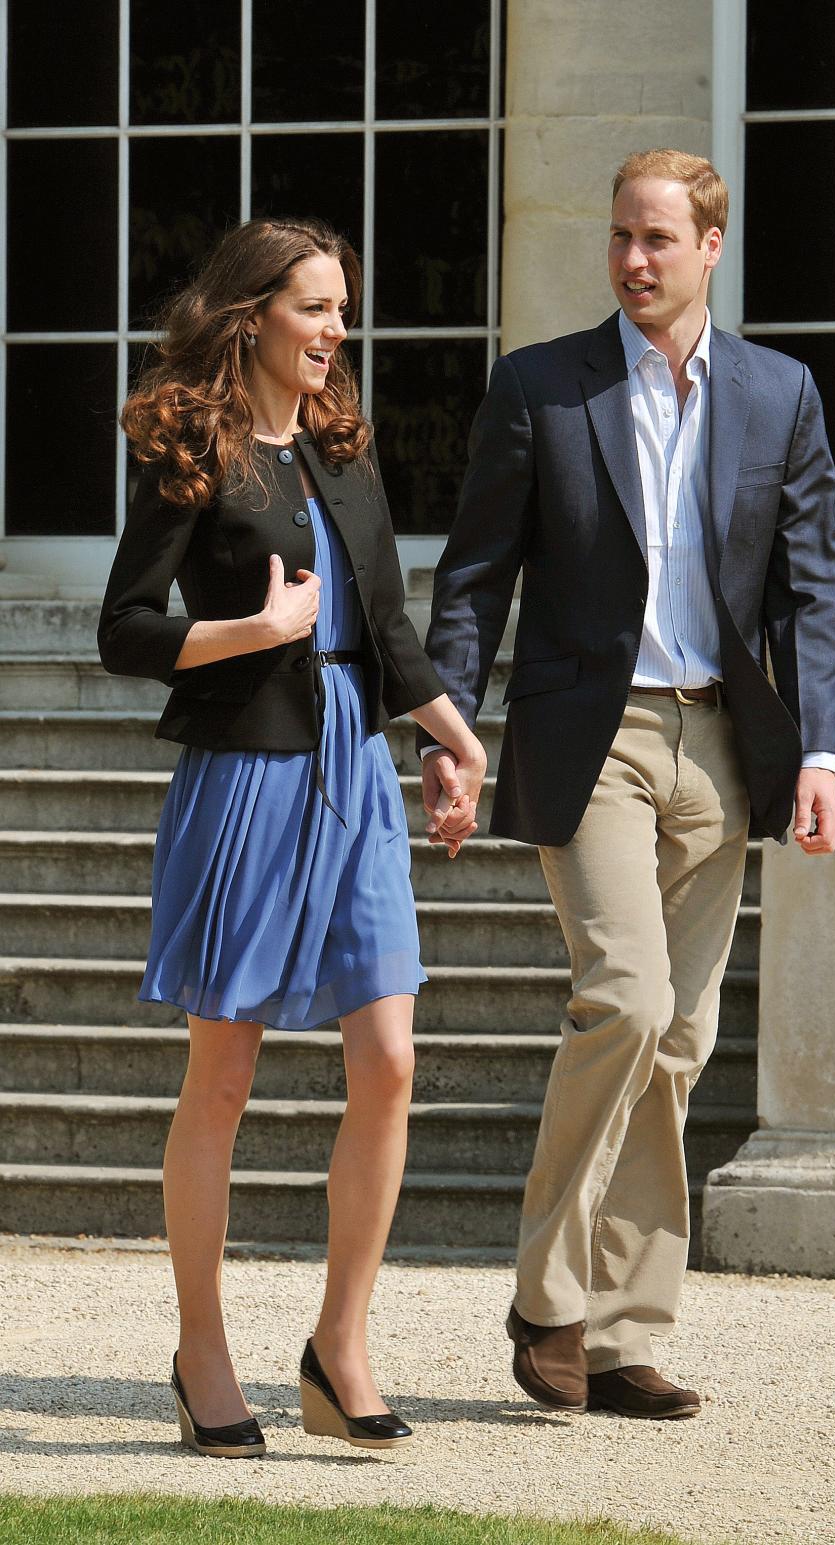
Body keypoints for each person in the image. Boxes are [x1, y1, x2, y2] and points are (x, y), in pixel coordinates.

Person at [418, 150, 835, 1419]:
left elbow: (812, 587)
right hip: (587, 736)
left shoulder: (779, 394)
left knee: (681, 1039)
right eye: (620, 237)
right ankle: (547, 1297)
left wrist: (820, 751)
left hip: (722, 742)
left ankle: (622, 1333)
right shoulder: (542, 387)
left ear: (712, 244)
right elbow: (474, 575)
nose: (633, 261)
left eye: (659, 239)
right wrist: (448, 726)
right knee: (626, 992)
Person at [98, 217, 484, 1457]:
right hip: (247, 777)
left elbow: (389, 632)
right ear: (251, 313)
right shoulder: (195, 454)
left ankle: (340, 1347)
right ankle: (201, 1352)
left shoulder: (344, 453)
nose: (335, 333)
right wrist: (250, 636)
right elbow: (124, 628)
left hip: (355, 777)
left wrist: (453, 740)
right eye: (314, 308)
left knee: (390, 1061)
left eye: (343, 310)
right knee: (224, 1075)